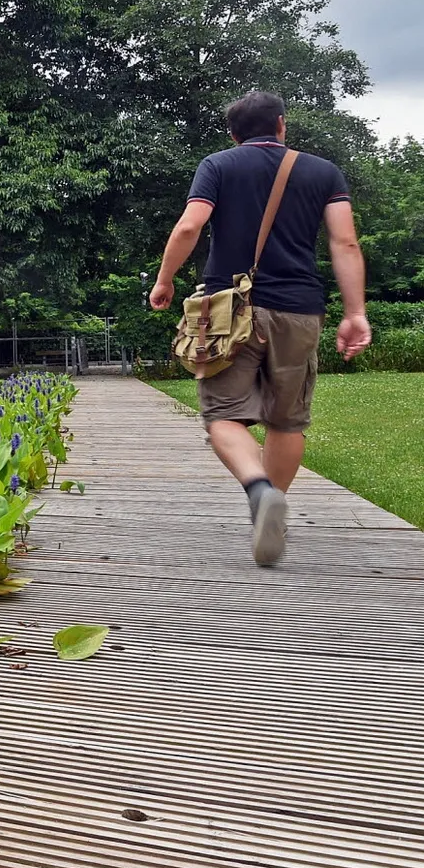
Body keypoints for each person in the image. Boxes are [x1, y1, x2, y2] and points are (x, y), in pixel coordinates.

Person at [149, 91, 371, 567]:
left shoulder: (218, 165)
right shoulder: (323, 172)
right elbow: (345, 242)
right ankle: (271, 511)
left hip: (228, 309)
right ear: (282, 125)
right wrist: (356, 312)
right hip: (299, 309)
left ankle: (259, 489)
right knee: (287, 419)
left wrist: (165, 280)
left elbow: (190, 226)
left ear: (234, 134)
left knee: (222, 415)